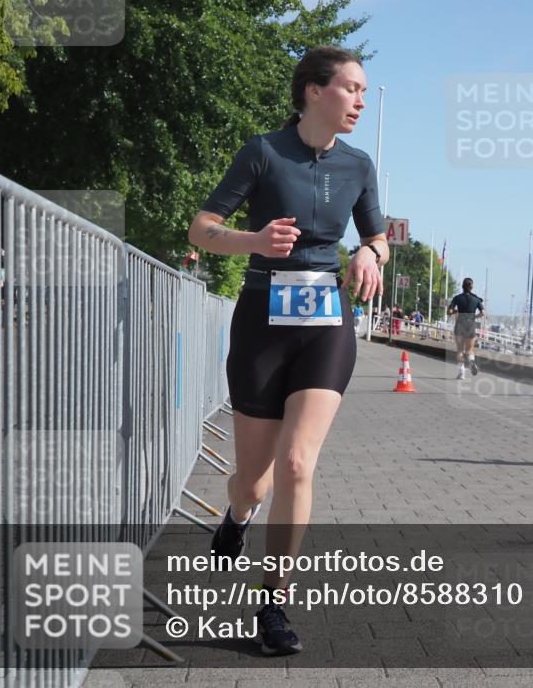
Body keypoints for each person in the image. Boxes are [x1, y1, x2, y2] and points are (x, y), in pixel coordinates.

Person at [187, 46, 388, 655]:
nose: (360, 100)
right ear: (312, 92)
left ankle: (273, 603)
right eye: (351, 88)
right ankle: (238, 517)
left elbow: (379, 237)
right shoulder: (263, 152)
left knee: (298, 462)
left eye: (363, 90)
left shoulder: (359, 165)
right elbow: (201, 229)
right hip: (261, 322)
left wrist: (369, 254)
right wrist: (254, 238)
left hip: (327, 319)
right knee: (252, 481)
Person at [448, 278, 484, 380]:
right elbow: (483, 313)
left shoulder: (457, 298)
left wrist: (455, 311)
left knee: (460, 350)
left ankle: (461, 373)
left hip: (460, 324)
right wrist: (474, 317)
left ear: (462, 286)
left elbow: (449, 312)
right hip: (470, 325)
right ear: (471, 287)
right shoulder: (476, 299)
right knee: (470, 349)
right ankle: (471, 361)